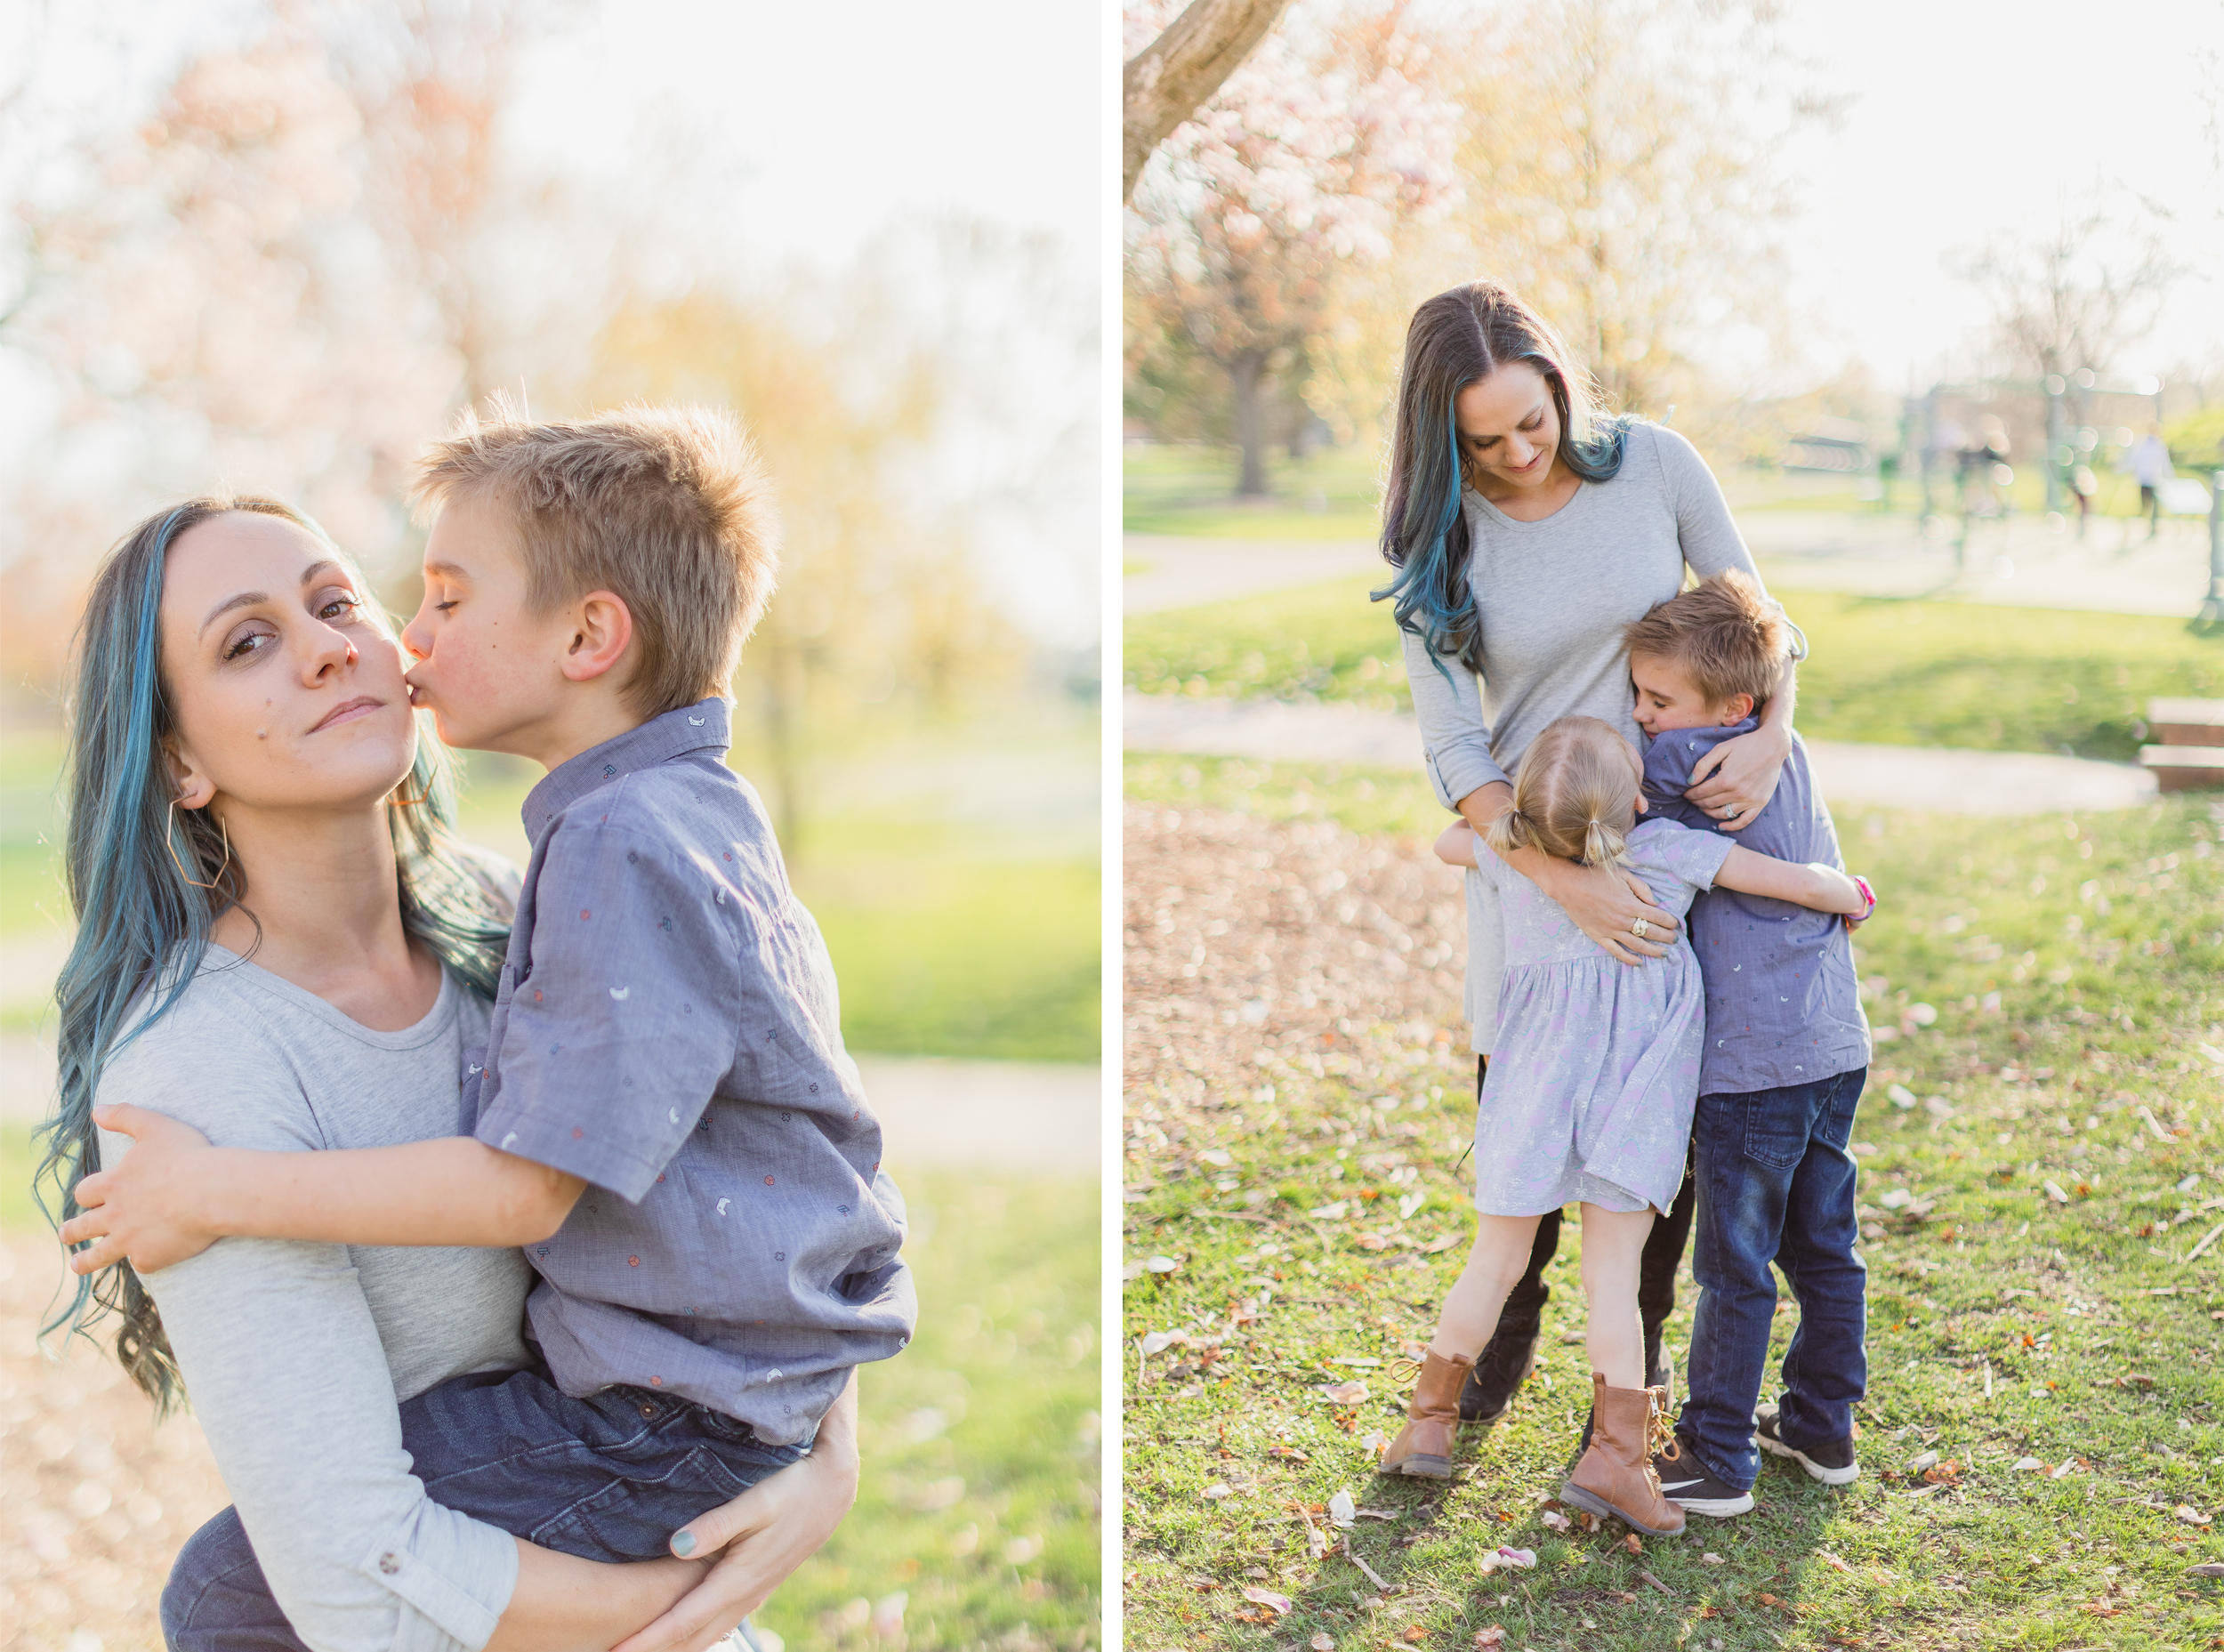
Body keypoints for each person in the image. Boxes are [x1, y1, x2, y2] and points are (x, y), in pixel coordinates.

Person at [39, 494, 860, 1652]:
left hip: (636, 1538)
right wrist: (700, 1598)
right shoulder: (193, 1077)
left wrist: (829, 1458)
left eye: (335, 604)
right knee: (222, 1595)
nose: (327, 645)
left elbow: (767, 1151)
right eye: (249, 641)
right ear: (177, 761)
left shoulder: (519, 909)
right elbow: (349, 1578)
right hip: (539, 1621)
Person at [1371, 280, 1801, 1431]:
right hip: (1534, 856)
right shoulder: (1439, 540)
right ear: (1441, 439)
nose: (1517, 450)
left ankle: (1624, 1410)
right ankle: (1476, 1385)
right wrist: (1561, 879)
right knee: (1522, 1114)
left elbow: (1760, 614)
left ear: (1561, 386)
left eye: (1533, 419)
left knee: (1653, 1136)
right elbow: (1454, 741)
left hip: (1676, 838)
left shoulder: (1655, 464)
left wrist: (1771, 734)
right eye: (1484, 439)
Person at [1382, 718, 1868, 1538]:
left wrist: (1515, 830)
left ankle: (1427, 1421)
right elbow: (1789, 880)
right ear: (1639, 796)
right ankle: (1614, 1456)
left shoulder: (1509, 853)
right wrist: (1850, 893)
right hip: (1630, 1104)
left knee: (1492, 1261)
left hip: (1528, 1095)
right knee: (1613, 1281)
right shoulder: (1670, 848)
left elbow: (1442, 843)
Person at [1623, 573, 1875, 1517]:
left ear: (1732, 706)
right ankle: (1820, 1424)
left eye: (1656, 698)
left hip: (1746, 1066)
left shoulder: (1680, 762)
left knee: (1733, 1263)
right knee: (1824, 1247)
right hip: (1830, 1040)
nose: (1642, 715)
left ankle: (1718, 1455)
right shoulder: (1787, 745)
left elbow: (1592, 796)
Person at [2128, 423, 2174, 537]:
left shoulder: (2156, 445)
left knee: (2152, 503)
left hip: (2152, 478)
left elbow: (2164, 462)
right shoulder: (2145, 444)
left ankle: (2152, 524)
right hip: (2146, 478)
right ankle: (2147, 524)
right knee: (2147, 503)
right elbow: (2134, 458)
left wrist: (2170, 475)